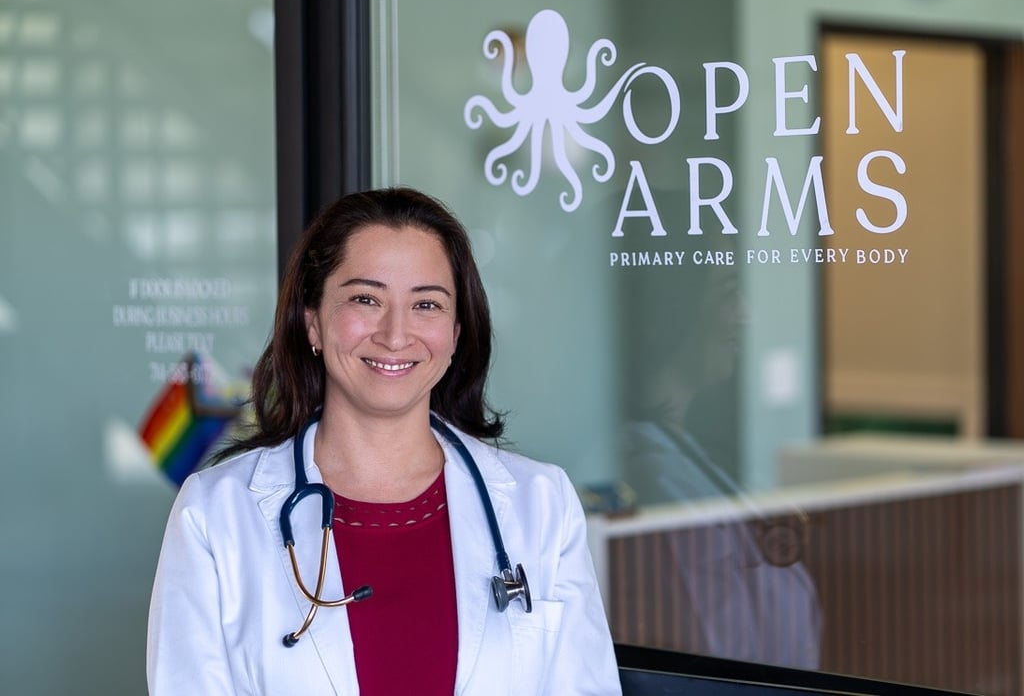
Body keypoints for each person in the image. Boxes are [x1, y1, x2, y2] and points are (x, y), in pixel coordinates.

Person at [147, 187, 621, 695]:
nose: (396, 335)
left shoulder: (542, 505)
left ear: (456, 332)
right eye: (365, 299)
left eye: (427, 304)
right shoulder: (214, 515)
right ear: (313, 322)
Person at [617, 232, 823, 669]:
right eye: (729, 291)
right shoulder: (649, 474)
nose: (746, 315)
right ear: (673, 307)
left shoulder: (677, 449)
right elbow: (718, 650)